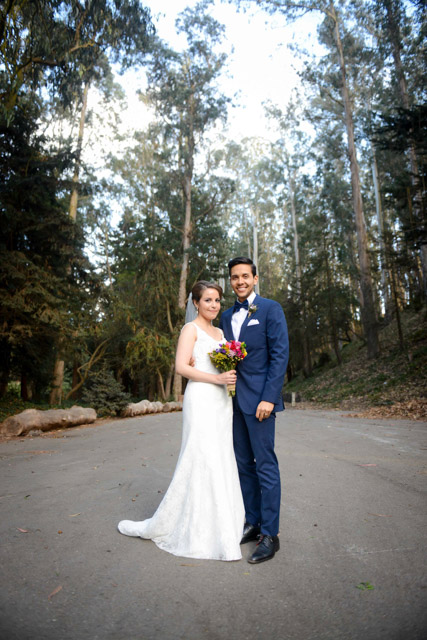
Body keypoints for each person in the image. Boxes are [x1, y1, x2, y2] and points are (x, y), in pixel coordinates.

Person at [118, 281, 245, 561]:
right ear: (196, 303)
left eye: (217, 301)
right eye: (208, 300)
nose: (214, 305)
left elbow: (223, 364)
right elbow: (181, 366)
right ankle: (192, 529)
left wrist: (230, 372)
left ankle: (223, 525)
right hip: (201, 399)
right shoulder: (191, 329)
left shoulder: (221, 332)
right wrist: (217, 378)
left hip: (222, 402)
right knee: (201, 457)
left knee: (221, 457)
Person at [219, 257, 289, 564]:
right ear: (230, 281)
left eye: (245, 276)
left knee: (265, 466)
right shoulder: (224, 317)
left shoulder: (271, 310)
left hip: (260, 402)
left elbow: (280, 355)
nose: (240, 281)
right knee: (243, 465)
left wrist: (269, 398)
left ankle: (270, 534)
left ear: (255, 278)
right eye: (235, 277)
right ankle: (253, 521)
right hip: (231, 403)